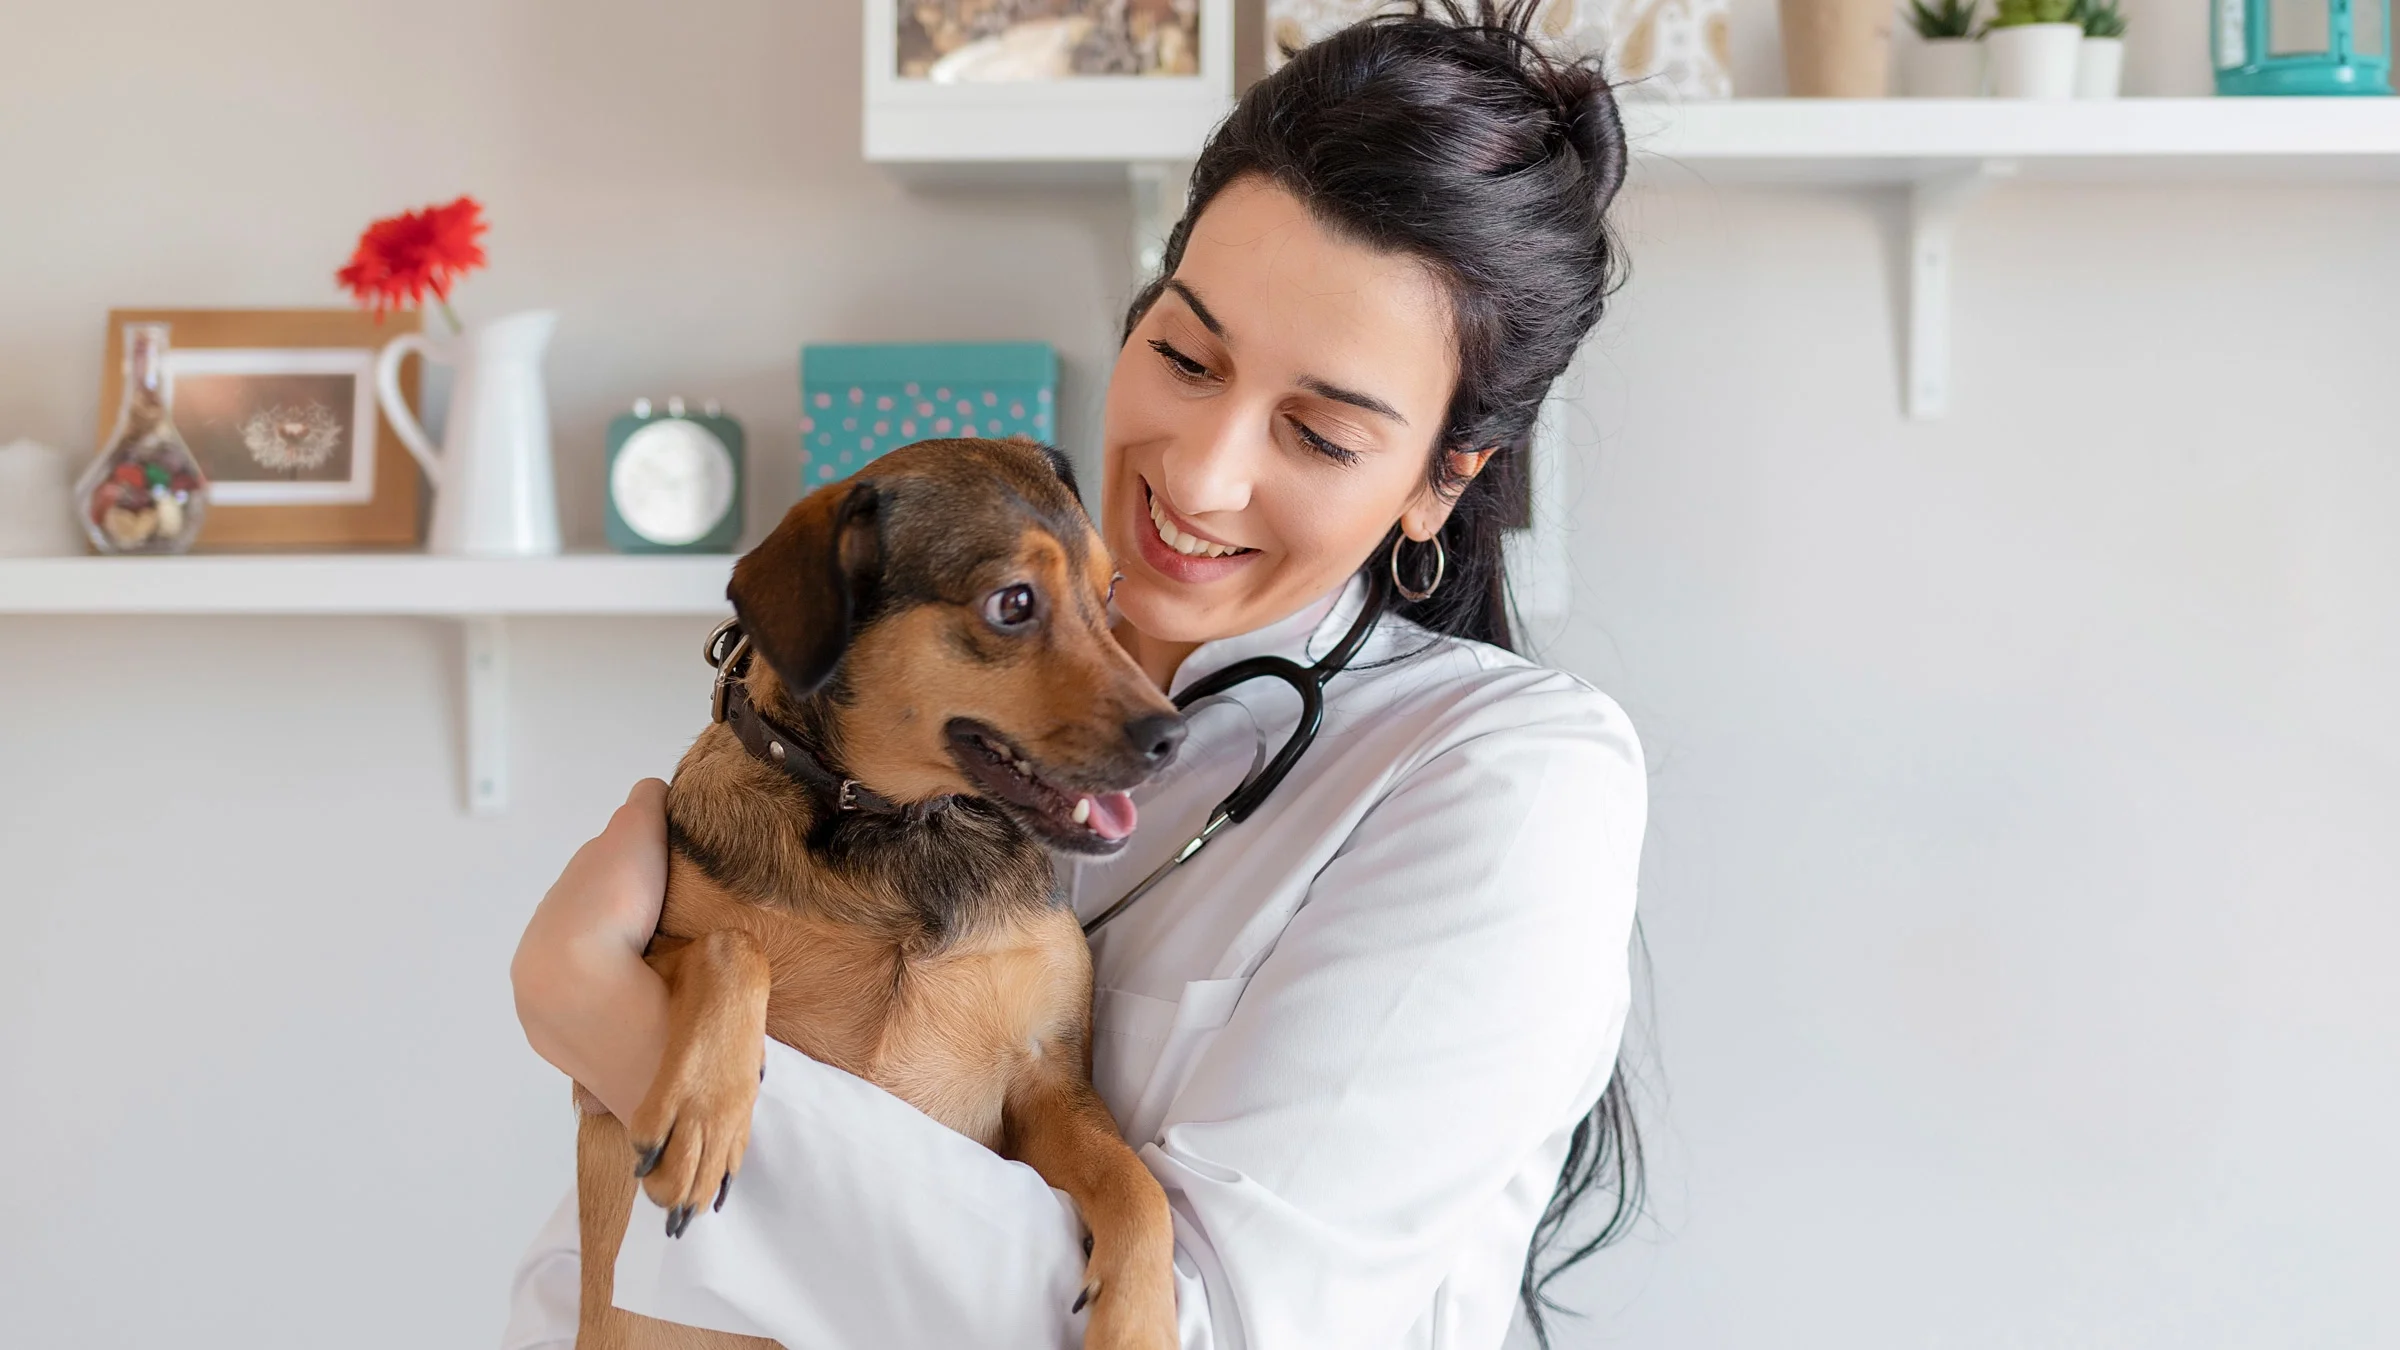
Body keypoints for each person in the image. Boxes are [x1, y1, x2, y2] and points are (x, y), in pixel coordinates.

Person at [503, 5, 1646, 1346]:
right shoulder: (898, 735)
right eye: (1183, 355)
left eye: (1322, 432)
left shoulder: (1509, 779)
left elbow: (1213, 1329)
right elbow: (607, 1259)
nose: (1202, 472)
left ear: (1441, 480)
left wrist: (615, 1024)